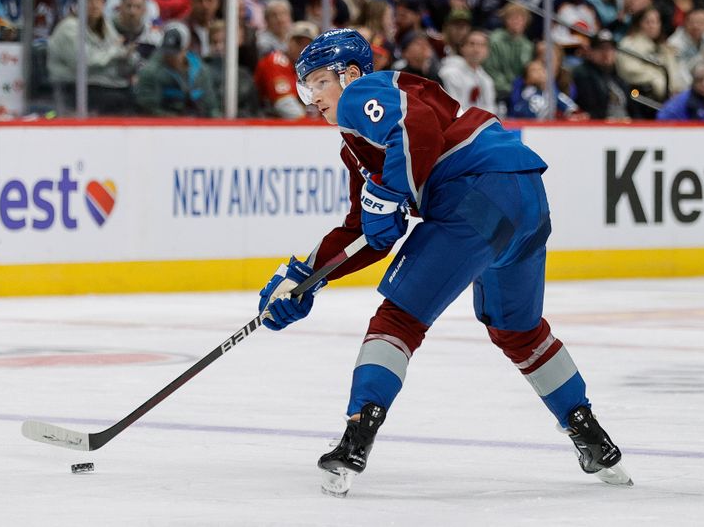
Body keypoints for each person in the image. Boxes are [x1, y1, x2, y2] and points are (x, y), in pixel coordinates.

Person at [257, 28, 632, 497]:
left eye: (316, 83)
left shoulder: (364, 95)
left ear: (348, 74)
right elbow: (364, 233)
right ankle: (589, 434)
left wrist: (389, 195)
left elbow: (413, 126)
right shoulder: (356, 144)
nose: (311, 98)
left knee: (399, 319)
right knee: (518, 330)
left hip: (476, 193)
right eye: (304, 88)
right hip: (523, 201)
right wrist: (304, 277)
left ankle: (357, 436)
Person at [48, 0, 138, 115]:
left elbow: (118, 53)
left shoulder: (104, 25)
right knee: (123, 100)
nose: (95, 4)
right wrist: (115, 51)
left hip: (103, 85)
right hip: (73, 88)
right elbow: (85, 61)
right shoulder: (69, 27)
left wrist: (128, 56)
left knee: (140, 93)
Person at [134, 21, 221, 116]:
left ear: (185, 49)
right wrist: (179, 121)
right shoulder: (150, 72)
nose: (171, 56)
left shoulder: (200, 70)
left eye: (176, 52)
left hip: (198, 122)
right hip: (166, 124)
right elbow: (148, 109)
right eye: (168, 51)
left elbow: (211, 106)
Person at [253, 20, 318, 118]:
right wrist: (311, 126)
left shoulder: (310, 69)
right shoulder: (275, 61)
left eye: (308, 45)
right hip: (270, 124)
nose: (303, 49)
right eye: (299, 42)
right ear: (289, 41)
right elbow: (285, 105)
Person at [572, 29, 634, 119]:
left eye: (610, 48)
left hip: (626, 125)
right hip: (600, 128)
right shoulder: (583, 74)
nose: (606, 53)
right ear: (591, 51)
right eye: (601, 48)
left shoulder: (618, 76)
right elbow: (591, 108)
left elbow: (632, 108)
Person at [438, 28, 496, 113]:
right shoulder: (450, 73)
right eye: (472, 44)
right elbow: (454, 110)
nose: (476, 49)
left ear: (487, 51)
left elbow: (491, 110)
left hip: (480, 124)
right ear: (462, 47)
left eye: (481, 45)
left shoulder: (487, 79)